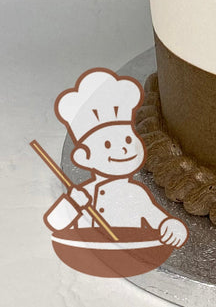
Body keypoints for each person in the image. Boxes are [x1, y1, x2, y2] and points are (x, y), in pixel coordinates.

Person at [43, 68, 187, 247]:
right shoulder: (85, 193)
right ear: (84, 157)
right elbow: (56, 222)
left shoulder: (136, 193)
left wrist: (172, 227)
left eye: (128, 140)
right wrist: (74, 204)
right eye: (108, 145)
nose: (124, 150)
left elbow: (159, 219)